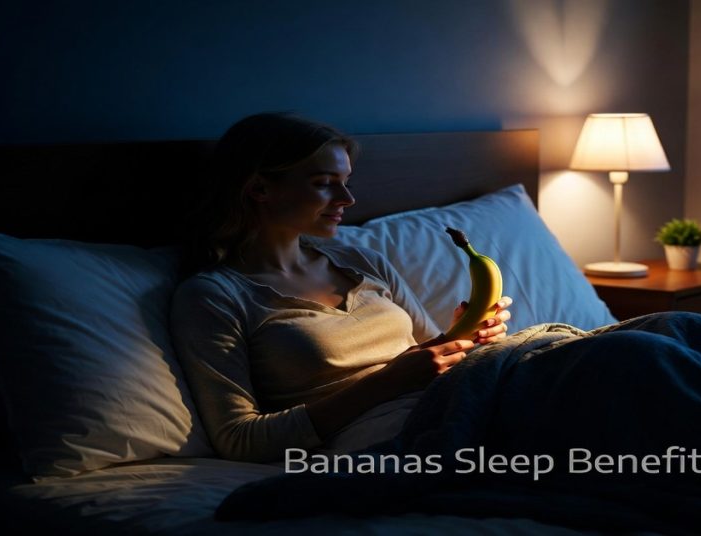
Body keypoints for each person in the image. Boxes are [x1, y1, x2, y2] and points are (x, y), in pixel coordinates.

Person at [169, 112, 513, 463]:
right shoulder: (214, 296)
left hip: (453, 399)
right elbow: (239, 439)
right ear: (259, 189)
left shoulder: (363, 262)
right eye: (324, 183)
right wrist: (385, 383)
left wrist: (468, 334)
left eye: (346, 182)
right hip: (395, 433)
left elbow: (430, 354)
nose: (347, 198)